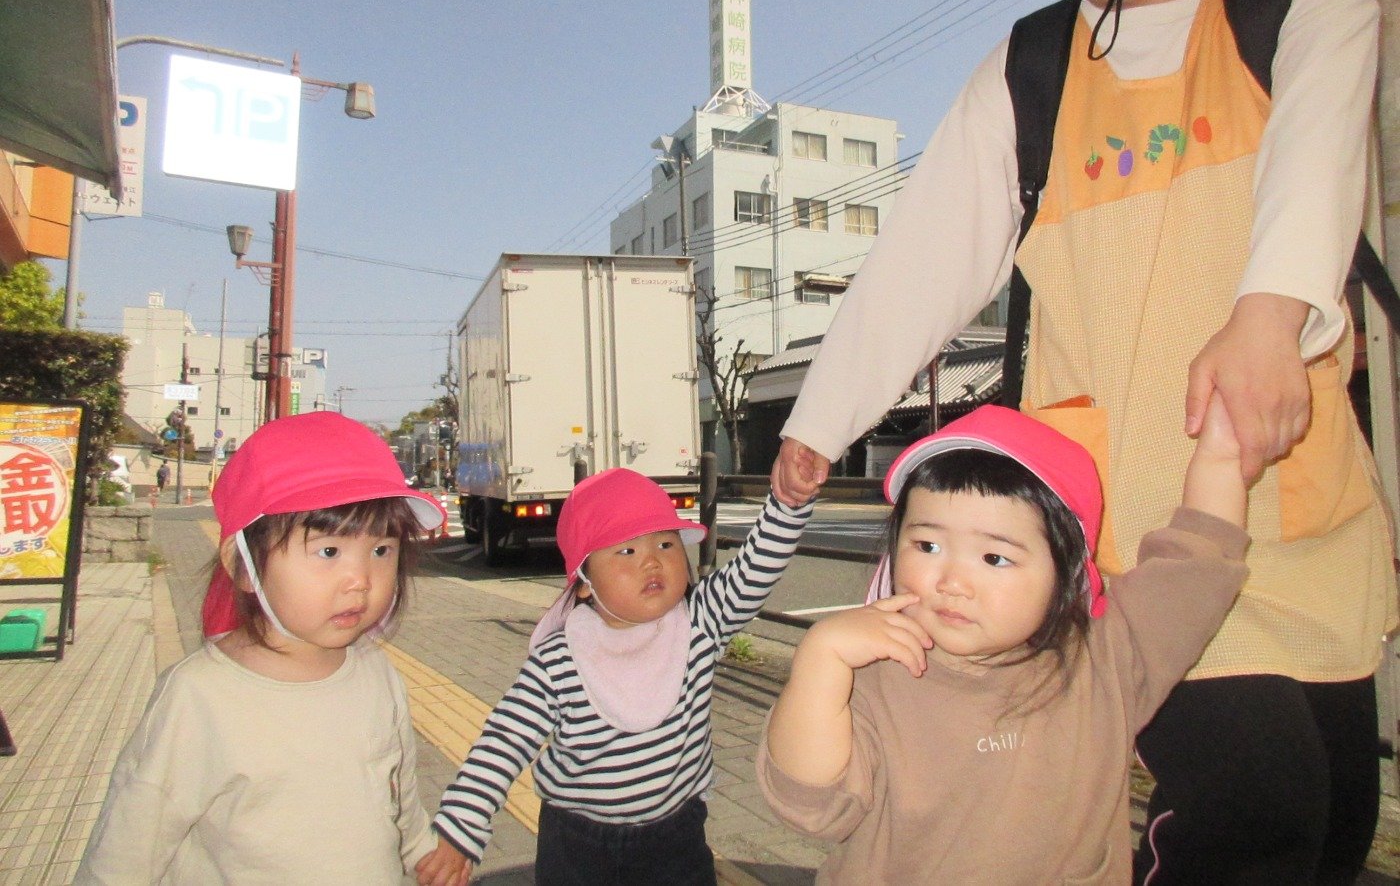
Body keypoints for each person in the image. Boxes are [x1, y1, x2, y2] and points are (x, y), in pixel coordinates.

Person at [771, 0, 1393, 881]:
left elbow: (1316, 162)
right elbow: (926, 254)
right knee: (1255, 806)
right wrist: (821, 418)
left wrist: (1266, 316)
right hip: (1114, 534)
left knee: (1332, 817)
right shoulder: (1035, 64)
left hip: (1289, 492)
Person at [760, 400, 1247, 882]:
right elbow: (812, 806)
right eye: (928, 545)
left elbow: (1197, 566)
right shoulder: (875, 672)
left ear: (1066, 572)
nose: (952, 581)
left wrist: (1223, 450)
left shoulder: (1107, 658)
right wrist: (820, 663)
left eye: (994, 558)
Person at [75, 412, 448, 885]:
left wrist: (419, 850)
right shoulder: (198, 697)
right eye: (329, 551)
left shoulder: (376, 671)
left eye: (381, 551)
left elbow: (399, 791)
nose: (360, 580)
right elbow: (127, 851)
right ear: (244, 565)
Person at [415, 469, 813, 886]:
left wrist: (788, 506)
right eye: (626, 550)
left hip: (676, 838)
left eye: (665, 543)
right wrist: (459, 832)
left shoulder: (699, 623)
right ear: (584, 584)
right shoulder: (560, 660)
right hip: (577, 845)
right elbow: (503, 743)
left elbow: (755, 570)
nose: (652, 560)